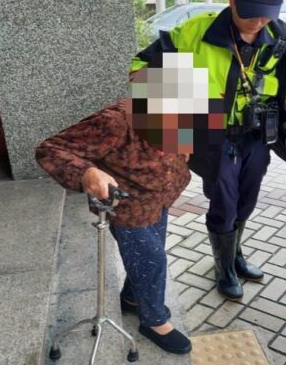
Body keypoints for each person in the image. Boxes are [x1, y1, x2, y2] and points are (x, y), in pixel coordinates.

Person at [130, 0, 286, 301]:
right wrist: (174, 131)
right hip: (212, 136)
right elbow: (141, 69)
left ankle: (234, 253)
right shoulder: (195, 32)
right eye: (249, 12)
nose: (257, 22)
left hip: (257, 135)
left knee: (247, 198)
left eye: (265, 15)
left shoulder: (283, 39)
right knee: (224, 199)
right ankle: (223, 268)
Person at [35, 54, 221, 354]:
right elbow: (49, 149)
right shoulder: (115, 121)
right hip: (128, 207)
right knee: (153, 260)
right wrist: (87, 172)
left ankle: (132, 299)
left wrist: (183, 145)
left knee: (146, 257)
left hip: (159, 199)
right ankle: (154, 321)